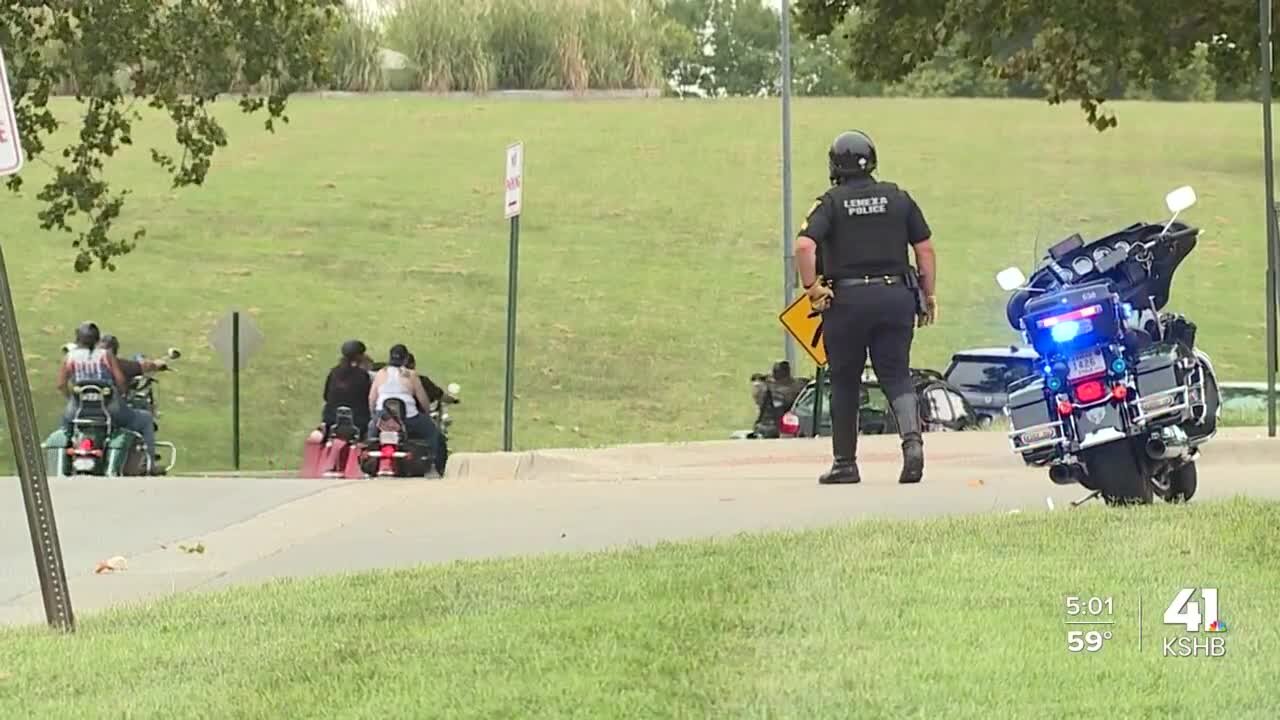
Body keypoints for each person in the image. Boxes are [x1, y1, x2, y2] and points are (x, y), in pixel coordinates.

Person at [793, 130, 938, 485]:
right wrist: (928, 294)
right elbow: (925, 250)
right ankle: (912, 445)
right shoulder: (898, 198)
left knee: (844, 380)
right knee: (897, 375)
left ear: (834, 165)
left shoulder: (830, 202)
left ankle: (845, 464)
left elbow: (804, 247)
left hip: (847, 303)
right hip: (895, 298)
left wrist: (812, 288)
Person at [56, 322, 163, 474]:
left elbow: (61, 384)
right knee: (145, 419)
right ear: (97, 339)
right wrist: (122, 393)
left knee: (65, 426)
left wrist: (71, 398)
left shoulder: (70, 357)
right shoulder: (106, 355)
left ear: (77, 339)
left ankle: (67, 453)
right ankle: (150, 465)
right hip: (109, 410)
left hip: (79, 410)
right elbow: (120, 380)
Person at [367, 344, 440, 447]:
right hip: (409, 418)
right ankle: (433, 459)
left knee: (371, 436)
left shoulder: (381, 373)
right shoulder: (411, 375)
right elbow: (423, 400)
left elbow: (372, 399)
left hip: (383, 417)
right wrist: (427, 414)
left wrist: (373, 415)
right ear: (405, 359)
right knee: (432, 432)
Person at [322, 340, 374, 432]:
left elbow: (326, 396)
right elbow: (369, 398)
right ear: (359, 356)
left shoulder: (334, 372)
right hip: (358, 420)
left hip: (331, 418)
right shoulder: (362, 375)